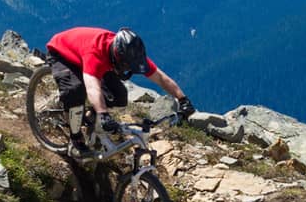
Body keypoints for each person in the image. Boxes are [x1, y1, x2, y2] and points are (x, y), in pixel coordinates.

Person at [45, 26, 195, 155]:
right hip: (63, 53)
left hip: (89, 56)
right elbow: (93, 87)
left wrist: (182, 99)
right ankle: (75, 138)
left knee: (120, 97)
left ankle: (90, 116)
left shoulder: (133, 55)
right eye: (126, 67)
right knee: (75, 90)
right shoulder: (96, 54)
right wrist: (104, 114)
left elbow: (161, 78)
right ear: (118, 58)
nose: (128, 69)